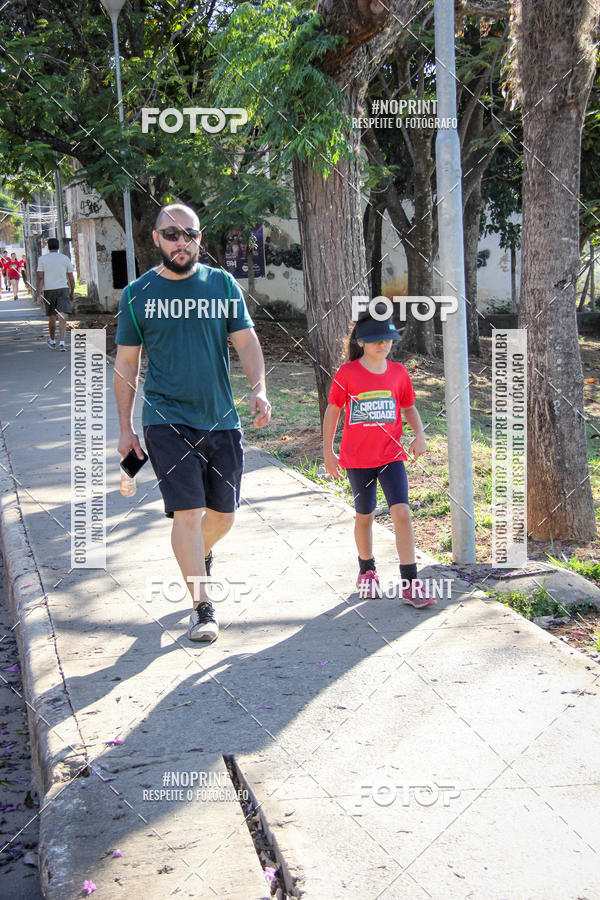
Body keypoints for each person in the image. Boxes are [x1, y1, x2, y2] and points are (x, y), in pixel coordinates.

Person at [114, 203, 271, 643]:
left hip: (220, 418)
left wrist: (259, 388)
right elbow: (126, 364)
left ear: (199, 238)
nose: (181, 241)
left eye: (190, 234)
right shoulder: (138, 294)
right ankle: (202, 608)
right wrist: (125, 428)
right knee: (187, 512)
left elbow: (246, 341)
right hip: (166, 419)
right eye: (171, 234)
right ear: (156, 239)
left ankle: (196, 556)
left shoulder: (221, 284)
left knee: (224, 516)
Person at [322, 312, 434, 608]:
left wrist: (419, 435)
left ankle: (410, 583)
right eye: (376, 340)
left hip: (390, 455)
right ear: (361, 342)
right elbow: (333, 411)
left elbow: (409, 407)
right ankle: (367, 571)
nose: (384, 345)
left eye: (388, 339)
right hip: (357, 459)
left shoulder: (398, 372)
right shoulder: (347, 373)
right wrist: (328, 453)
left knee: (402, 513)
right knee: (365, 515)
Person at [36, 238, 75, 350]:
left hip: (49, 290)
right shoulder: (65, 258)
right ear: (58, 246)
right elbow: (71, 278)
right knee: (62, 316)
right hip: (63, 289)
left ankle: (52, 340)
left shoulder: (42, 259)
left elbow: (40, 278)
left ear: (48, 247)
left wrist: (39, 295)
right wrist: (72, 292)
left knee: (52, 316)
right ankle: (62, 342)